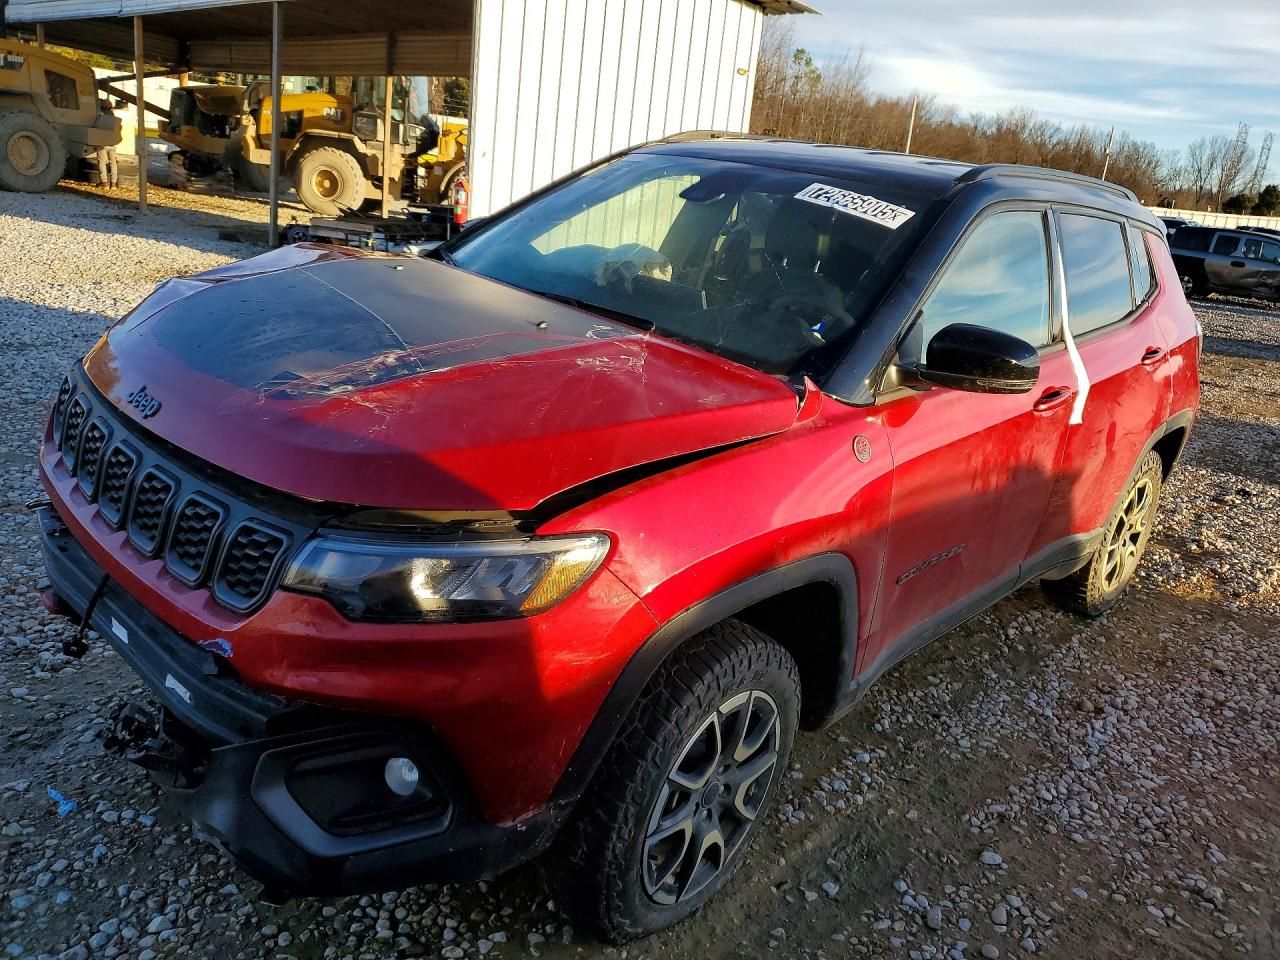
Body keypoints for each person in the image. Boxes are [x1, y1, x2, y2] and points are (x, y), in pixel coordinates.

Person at [94, 99, 119, 189]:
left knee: (102, 161)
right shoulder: (115, 118)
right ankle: (114, 183)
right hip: (112, 143)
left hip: (102, 143)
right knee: (113, 162)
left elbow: (96, 128)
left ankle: (104, 182)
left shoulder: (101, 117)